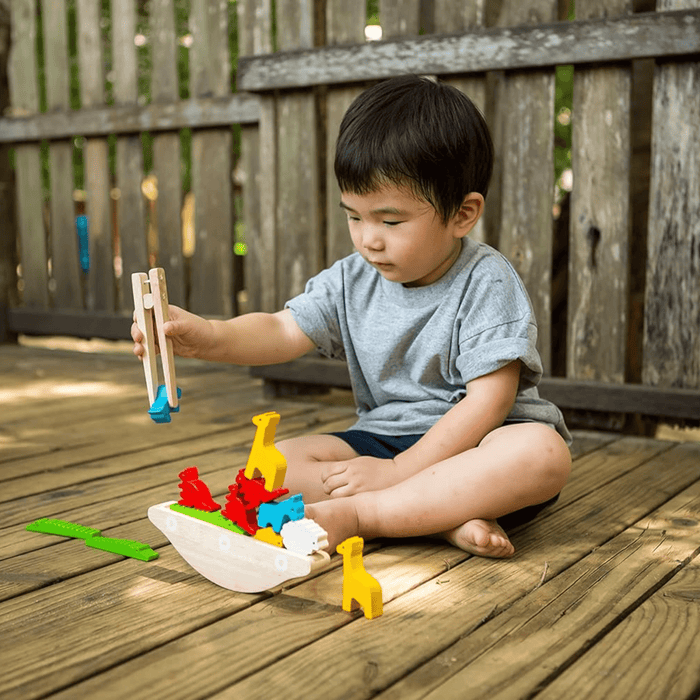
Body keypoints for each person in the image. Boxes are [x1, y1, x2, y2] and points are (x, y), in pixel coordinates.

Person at [132, 75, 572, 558]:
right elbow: (281, 329)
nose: (368, 239)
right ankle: (438, 516)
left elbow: (489, 402)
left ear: (463, 214)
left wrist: (401, 471)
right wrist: (207, 336)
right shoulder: (352, 279)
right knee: (271, 466)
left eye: (390, 220)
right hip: (383, 439)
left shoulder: (486, 280)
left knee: (542, 453)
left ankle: (370, 515)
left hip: (479, 446)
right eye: (354, 216)